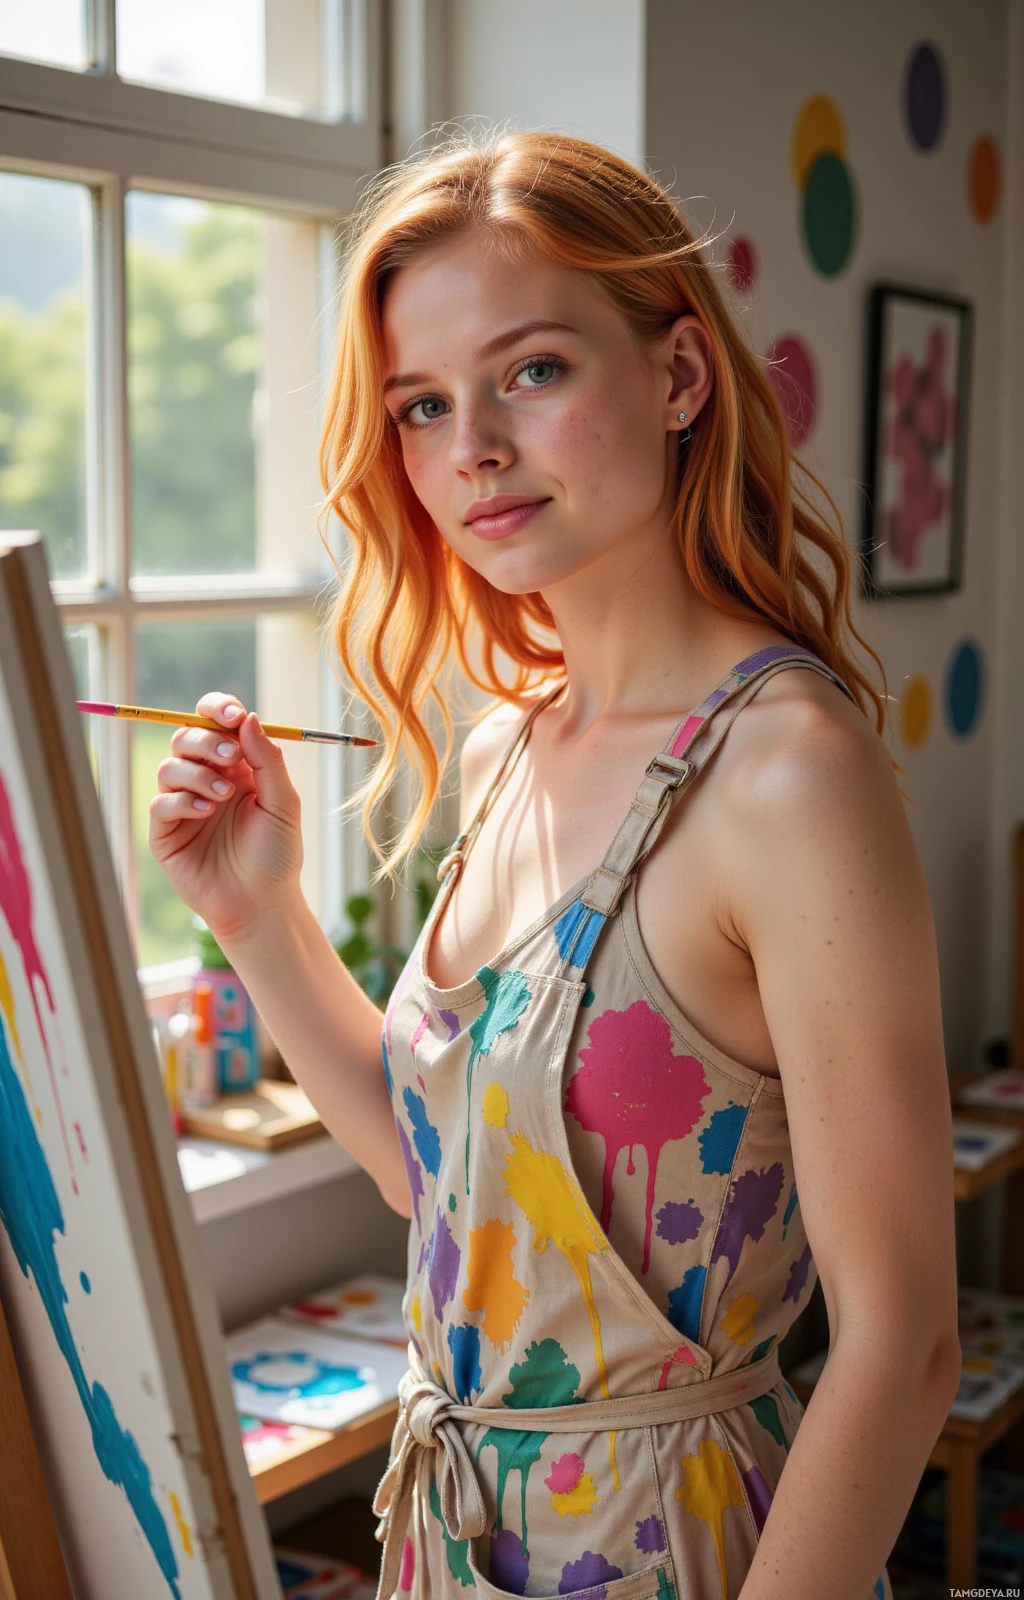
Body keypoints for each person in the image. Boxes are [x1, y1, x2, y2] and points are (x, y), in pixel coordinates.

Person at [149, 130, 961, 1600]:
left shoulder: (789, 778)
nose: (473, 449)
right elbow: (446, 1183)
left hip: (692, 1553)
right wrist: (256, 914)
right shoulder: (505, 751)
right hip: (448, 1553)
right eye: (420, 405)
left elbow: (902, 1346)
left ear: (677, 377)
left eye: (531, 371)